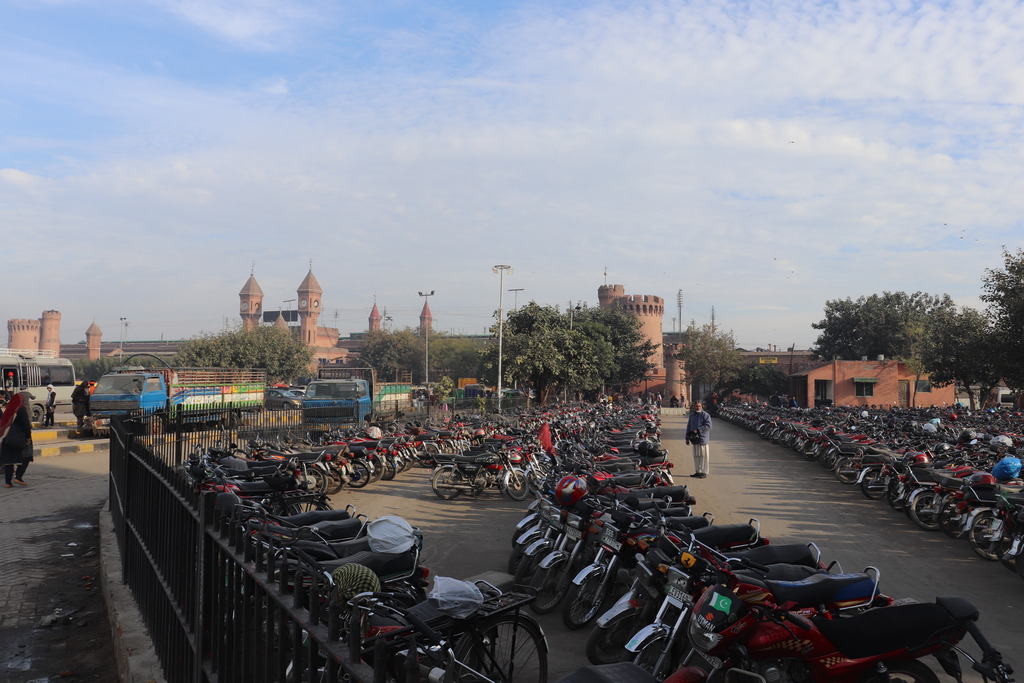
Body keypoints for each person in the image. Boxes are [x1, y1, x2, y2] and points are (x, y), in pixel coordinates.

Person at [1, 386, 34, 487]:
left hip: (7, 438)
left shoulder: (8, 410)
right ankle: (18, 477)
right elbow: (26, 425)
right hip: (19, 438)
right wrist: (28, 437)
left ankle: (8, 483)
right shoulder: (21, 409)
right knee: (27, 457)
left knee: (9, 461)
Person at [685, 400, 713, 478]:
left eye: (699, 406)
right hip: (694, 439)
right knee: (696, 456)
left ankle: (704, 472)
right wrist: (687, 438)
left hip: (702, 439)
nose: (698, 408)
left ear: (702, 406)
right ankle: (698, 471)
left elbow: (708, 426)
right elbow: (689, 426)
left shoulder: (705, 415)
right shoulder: (692, 415)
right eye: (696, 406)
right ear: (694, 406)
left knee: (703, 456)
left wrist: (698, 430)